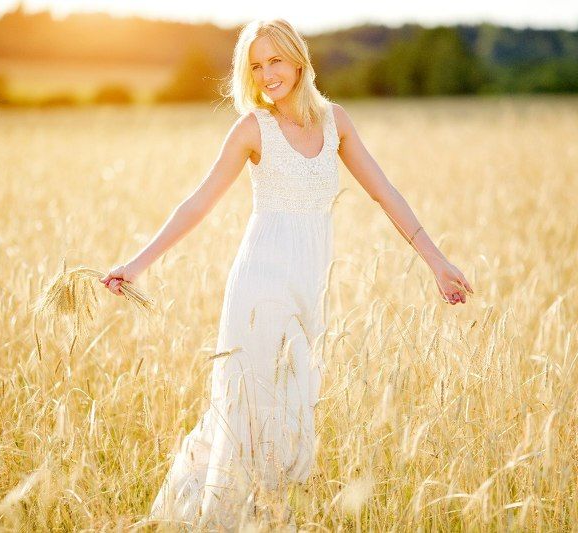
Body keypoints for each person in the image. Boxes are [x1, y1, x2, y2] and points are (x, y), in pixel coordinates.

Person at [99, 18, 473, 531]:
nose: (267, 74)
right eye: (255, 65)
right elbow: (198, 203)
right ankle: (224, 521)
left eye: (275, 60)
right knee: (251, 413)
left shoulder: (336, 121)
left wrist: (437, 262)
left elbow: (385, 192)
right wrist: (138, 264)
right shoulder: (253, 129)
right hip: (259, 289)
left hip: (309, 292)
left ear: (298, 58)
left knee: (294, 410)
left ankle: (265, 520)